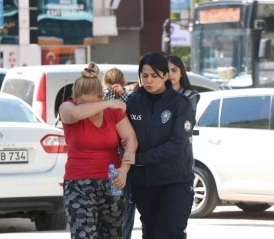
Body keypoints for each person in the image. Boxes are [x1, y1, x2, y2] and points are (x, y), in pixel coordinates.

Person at [59, 62, 137, 239]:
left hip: (112, 181)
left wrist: (124, 170)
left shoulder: (113, 113)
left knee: (112, 235)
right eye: (82, 104)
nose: (88, 110)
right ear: (75, 97)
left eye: (92, 103)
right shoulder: (68, 107)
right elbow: (76, 114)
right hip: (79, 183)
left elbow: (131, 139)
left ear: (99, 96)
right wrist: (107, 104)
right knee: (84, 235)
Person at [122, 52, 196, 239]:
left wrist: (139, 158)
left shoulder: (181, 104)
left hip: (175, 181)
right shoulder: (133, 102)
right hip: (144, 183)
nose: (149, 80)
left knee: (171, 233)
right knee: (151, 233)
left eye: (154, 75)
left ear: (165, 75)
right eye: (144, 76)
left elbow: (177, 144)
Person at [102, 67, 136, 239]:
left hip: (104, 162)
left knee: (107, 212)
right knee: (125, 209)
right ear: (123, 82)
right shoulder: (130, 99)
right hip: (125, 162)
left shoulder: (100, 99)